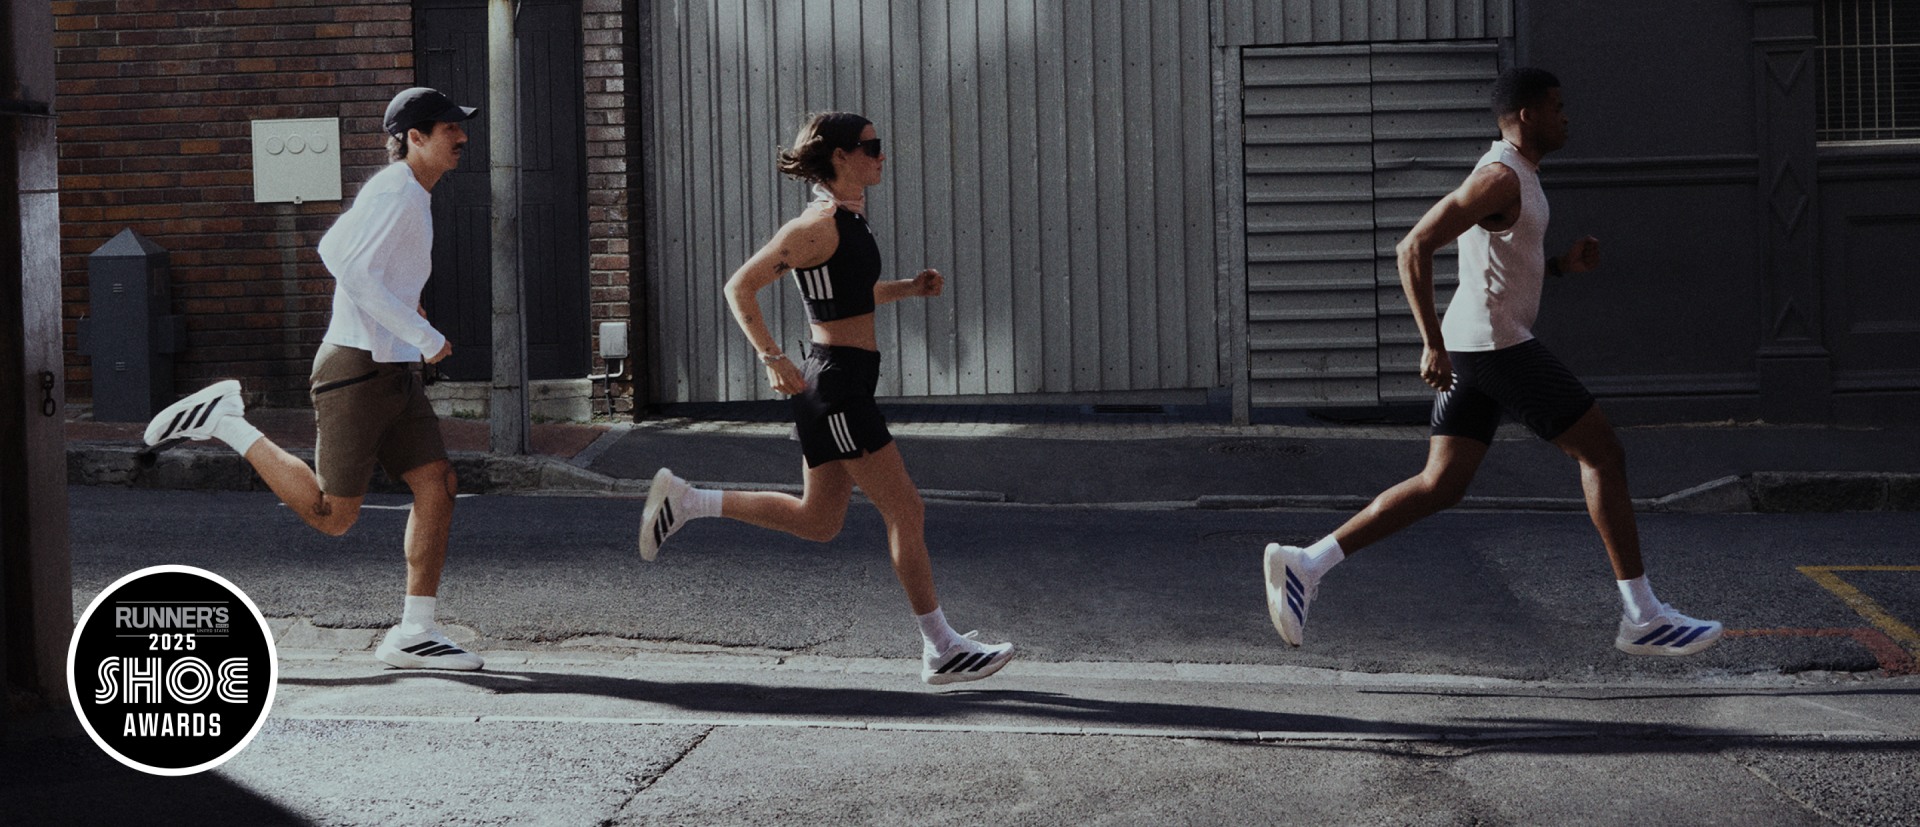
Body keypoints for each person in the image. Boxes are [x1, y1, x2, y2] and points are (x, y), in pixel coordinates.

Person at [1262, 68, 1723, 658]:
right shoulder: (1500, 176)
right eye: (1557, 107)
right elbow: (1413, 246)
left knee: (1440, 484)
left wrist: (1559, 268)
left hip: (1478, 344)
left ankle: (1306, 563)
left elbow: (1497, 263)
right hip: (1494, 345)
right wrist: (1429, 342)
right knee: (1603, 452)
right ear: (1527, 115)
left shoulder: (1519, 176)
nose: (1566, 116)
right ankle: (1643, 615)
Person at [637, 111, 1015, 686]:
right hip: (836, 388)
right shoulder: (815, 224)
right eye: (872, 146)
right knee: (906, 509)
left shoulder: (850, 219)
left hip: (842, 382)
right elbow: (740, 285)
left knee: (818, 521)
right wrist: (771, 357)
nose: (882, 155)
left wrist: (909, 289)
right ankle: (941, 647)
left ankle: (688, 501)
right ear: (840, 156)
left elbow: (847, 297)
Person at [143, 87, 485, 671]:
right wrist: (425, 337)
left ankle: (414, 633)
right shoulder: (396, 190)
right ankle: (225, 422)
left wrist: (409, 316)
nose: (461, 136)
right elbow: (342, 258)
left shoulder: (413, 195)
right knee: (334, 514)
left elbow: (369, 273)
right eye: (447, 127)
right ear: (413, 138)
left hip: (389, 366)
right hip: (356, 370)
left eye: (460, 127)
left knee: (438, 484)